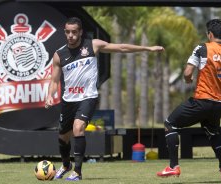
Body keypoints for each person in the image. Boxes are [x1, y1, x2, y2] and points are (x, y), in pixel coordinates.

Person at [45, 17, 164, 181]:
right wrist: (50, 95)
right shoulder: (59, 55)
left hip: (88, 97)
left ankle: (77, 172)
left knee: (78, 128)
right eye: (68, 32)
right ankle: (66, 165)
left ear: (80, 32)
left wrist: (148, 48)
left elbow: (121, 48)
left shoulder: (93, 45)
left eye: (74, 32)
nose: (71, 35)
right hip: (68, 100)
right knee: (63, 137)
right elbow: (54, 81)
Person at [156, 19, 221, 182]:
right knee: (212, 132)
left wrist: (188, 80)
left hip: (202, 101)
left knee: (170, 123)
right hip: (219, 105)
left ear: (210, 34)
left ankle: (173, 167)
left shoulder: (203, 48)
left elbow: (187, 73)